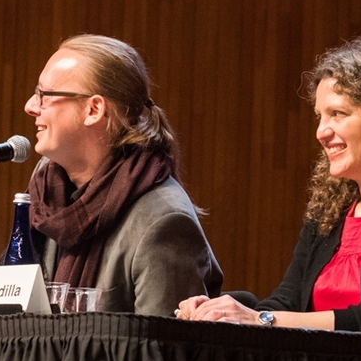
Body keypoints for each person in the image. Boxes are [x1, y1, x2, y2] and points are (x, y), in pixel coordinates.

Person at [177, 35, 361, 333]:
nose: (321, 132)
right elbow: (288, 302)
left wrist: (258, 319)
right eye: (320, 116)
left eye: (338, 114)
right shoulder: (331, 212)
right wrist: (222, 309)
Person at [23, 34, 222, 315]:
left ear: (93, 109)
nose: (30, 106)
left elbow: (162, 353)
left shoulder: (163, 222)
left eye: (44, 95)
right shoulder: (46, 187)